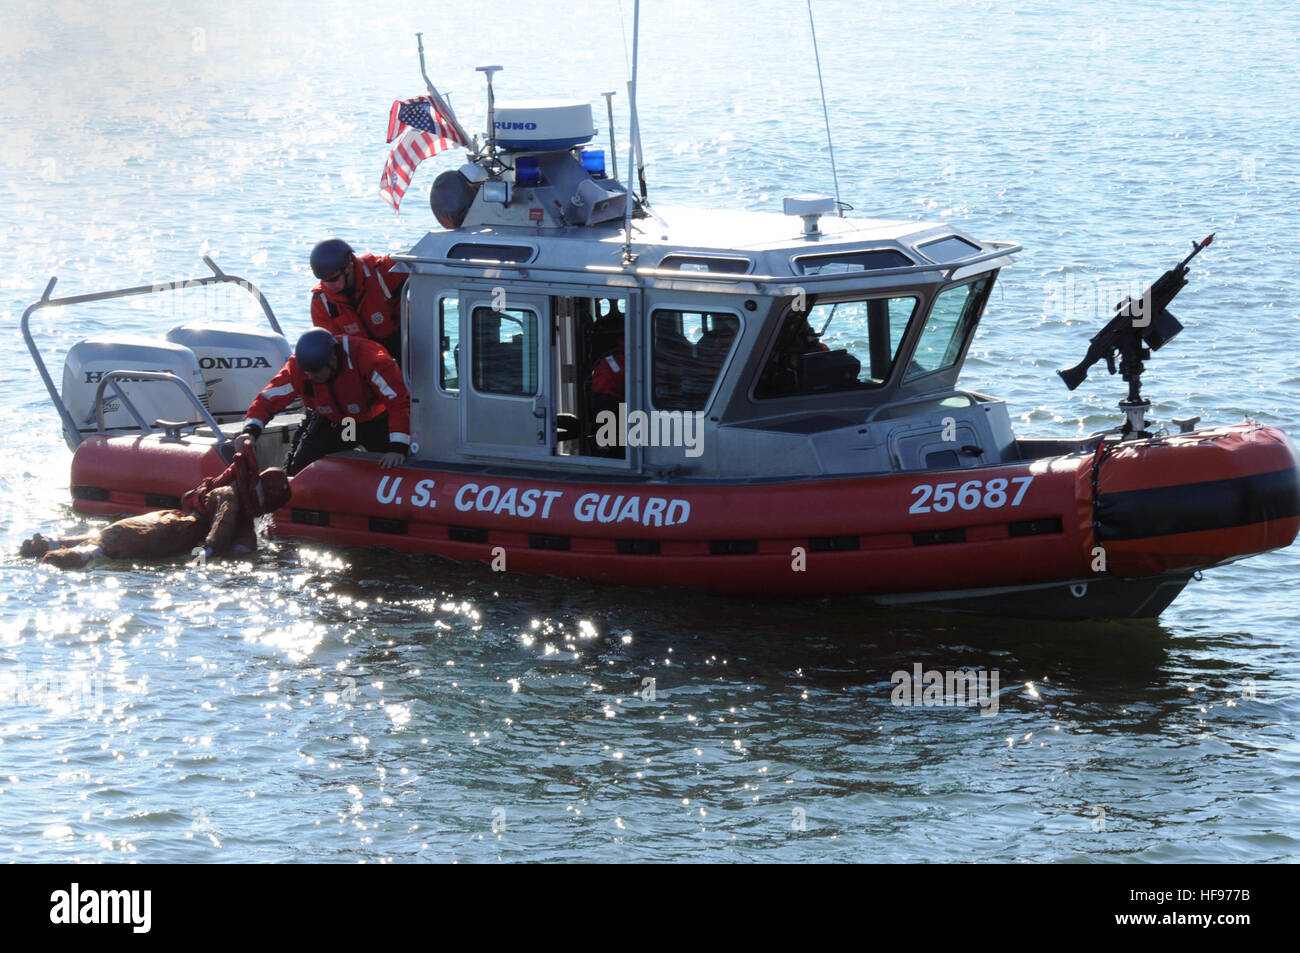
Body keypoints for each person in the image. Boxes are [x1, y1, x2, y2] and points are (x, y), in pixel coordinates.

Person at [21, 449, 291, 570]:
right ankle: (69, 555)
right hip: (167, 529)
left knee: (110, 537)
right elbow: (221, 531)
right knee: (111, 544)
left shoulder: (237, 509)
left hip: (166, 524)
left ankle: (52, 542)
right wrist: (202, 558)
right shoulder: (229, 496)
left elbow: (240, 546)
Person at [236, 328, 411, 475]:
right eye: (307, 372)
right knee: (298, 468)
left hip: (374, 422)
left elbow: (398, 401)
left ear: (333, 361)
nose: (311, 377)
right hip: (334, 422)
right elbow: (268, 400)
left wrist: (398, 447)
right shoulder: (299, 370)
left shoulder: (370, 359)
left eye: (316, 372)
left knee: (394, 465)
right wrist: (250, 431)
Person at [309, 238, 407, 363]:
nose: (328, 285)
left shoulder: (380, 272)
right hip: (365, 363)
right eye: (323, 279)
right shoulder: (322, 303)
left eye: (333, 279)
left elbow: (416, 261)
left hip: (407, 348)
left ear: (348, 267)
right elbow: (332, 350)